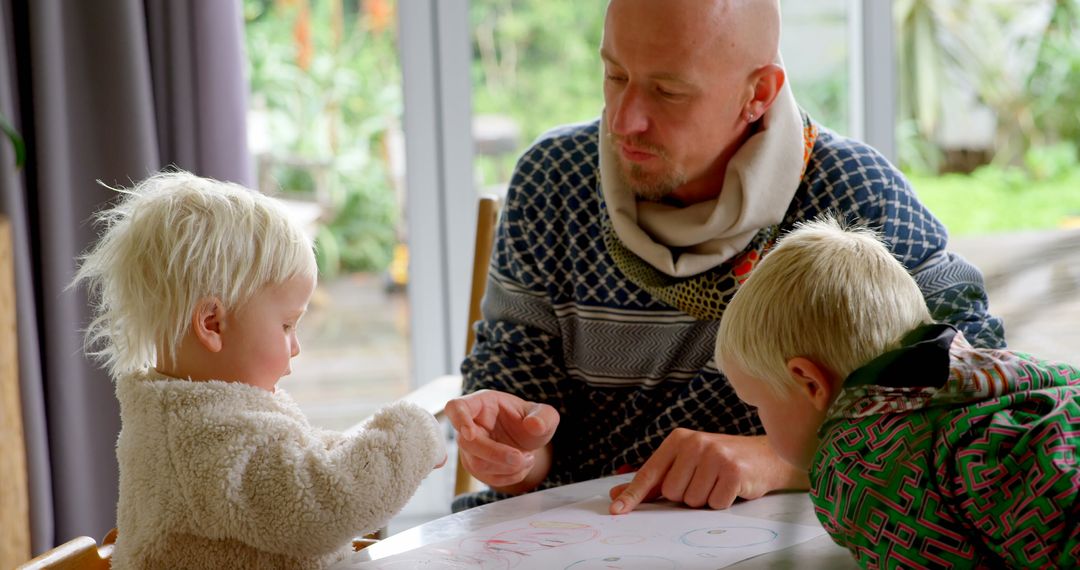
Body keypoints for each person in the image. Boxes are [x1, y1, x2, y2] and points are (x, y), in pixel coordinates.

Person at [446, 0, 1006, 514]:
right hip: (567, 535)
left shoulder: (855, 197)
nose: (623, 120)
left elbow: (978, 387)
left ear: (758, 92)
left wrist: (781, 460)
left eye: (668, 91)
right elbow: (513, 395)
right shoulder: (552, 182)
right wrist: (512, 452)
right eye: (615, 76)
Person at [71, 172, 446, 570]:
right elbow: (325, 505)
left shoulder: (189, 416)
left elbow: (294, 457)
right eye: (286, 325)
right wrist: (413, 438)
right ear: (213, 324)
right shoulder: (212, 437)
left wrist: (359, 448)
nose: (296, 346)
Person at [713, 216, 1080, 567]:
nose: (759, 418)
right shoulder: (1006, 373)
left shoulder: (860, 464)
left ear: (810, 383)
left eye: (756, 405)